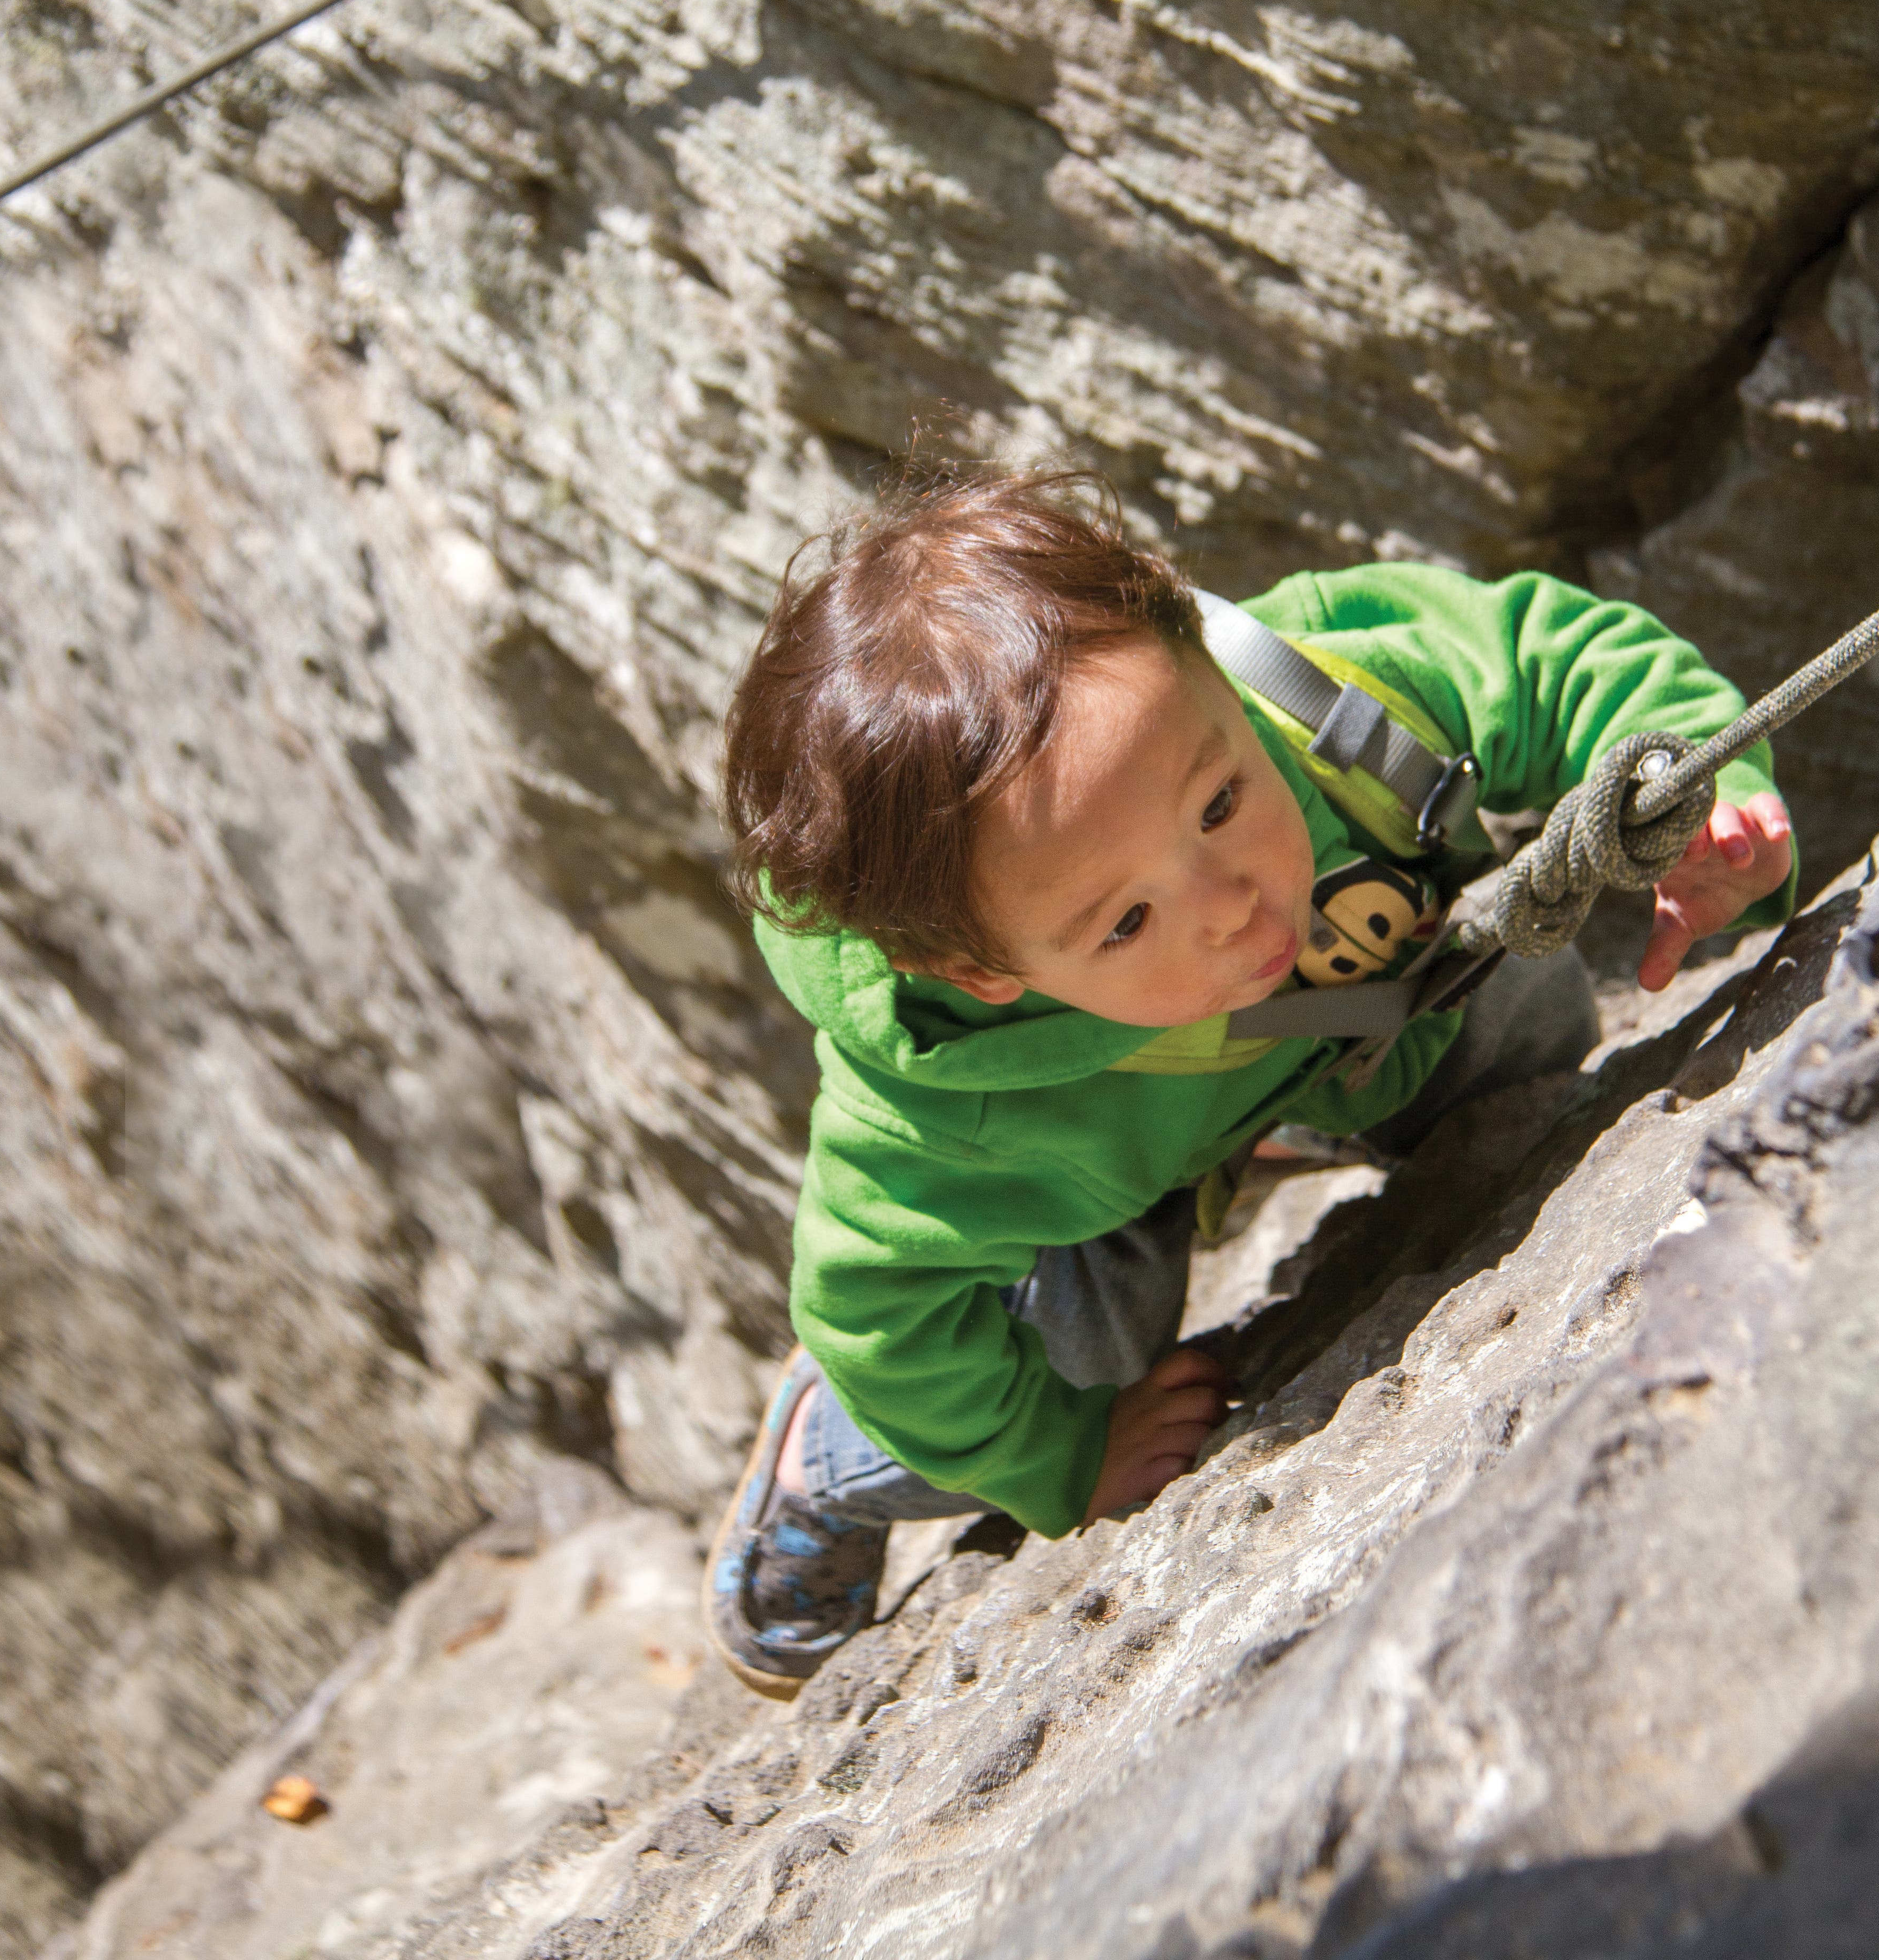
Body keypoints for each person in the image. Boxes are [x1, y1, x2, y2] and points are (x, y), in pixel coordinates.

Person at [703, 470, 1795, 1696]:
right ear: (986, 969)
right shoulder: (946, 1114)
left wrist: (1704, 790)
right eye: (1125, 919)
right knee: (1088, 1358)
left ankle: (1269, 1116)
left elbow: (1548, 658)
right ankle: (827, 1454)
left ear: (1206, 659)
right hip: (1084, 1190)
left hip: (1329, 1029)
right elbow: (877, 1314)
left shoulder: (1329, 704)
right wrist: (1062, 1455)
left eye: (1220, 798)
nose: (1232, 901)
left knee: (1519, 1013)